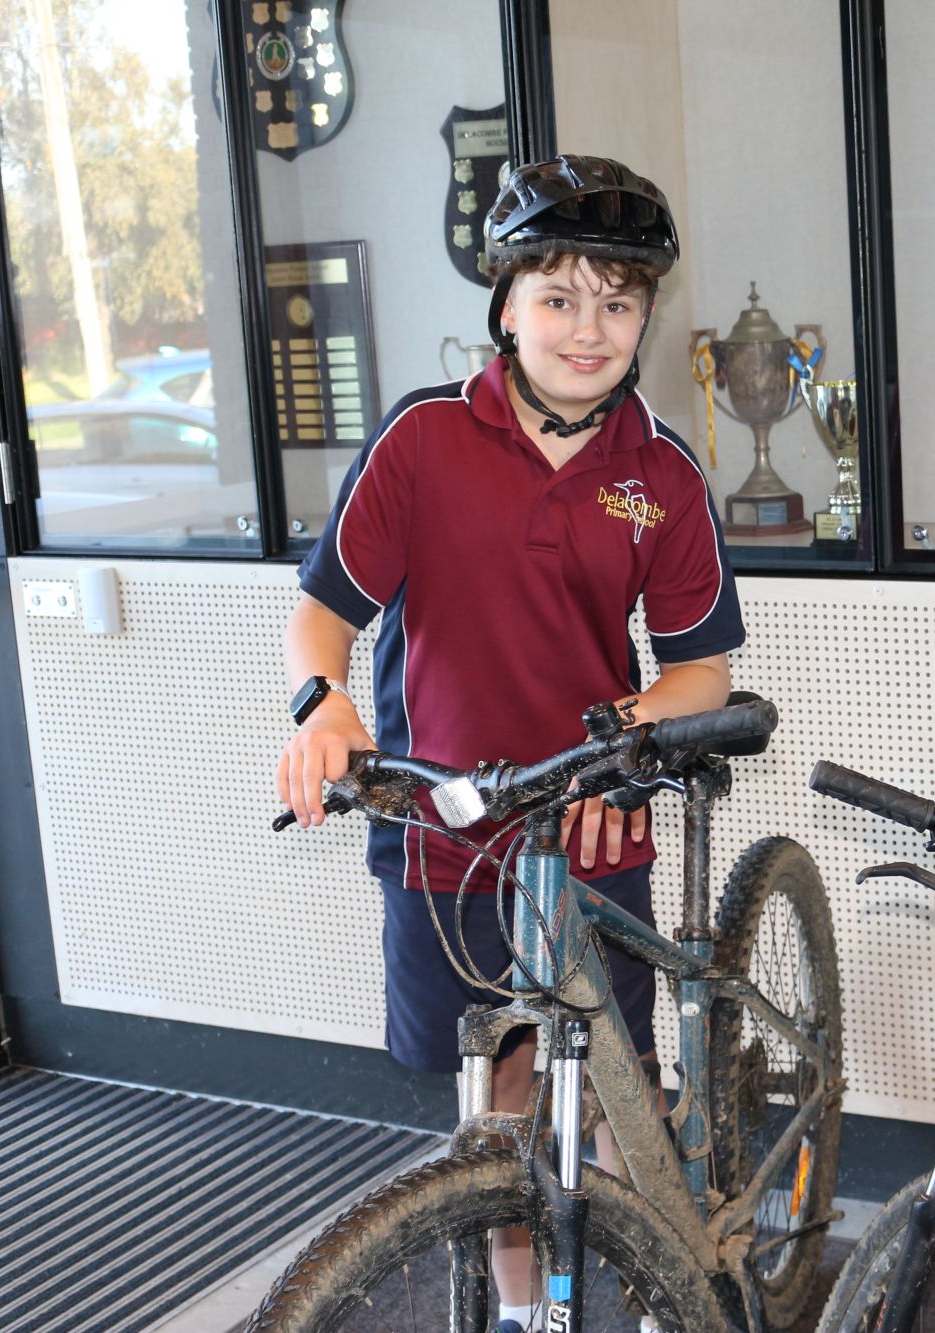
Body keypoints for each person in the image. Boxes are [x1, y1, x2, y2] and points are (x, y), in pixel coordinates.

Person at [275, 154, 743, 1333]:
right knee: (497, 1110)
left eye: (618, 303)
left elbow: (699, 668)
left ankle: (649, 1299)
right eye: (559, 297)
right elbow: (323, 614)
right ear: (506, 305)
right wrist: (321, 704)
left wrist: (617, 742)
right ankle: (531, 1313)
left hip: (593, 824)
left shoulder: (662, 475)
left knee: (609, 1096)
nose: (589, 330)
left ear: (644, 316)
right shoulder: (424, 441)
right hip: (448, 834)